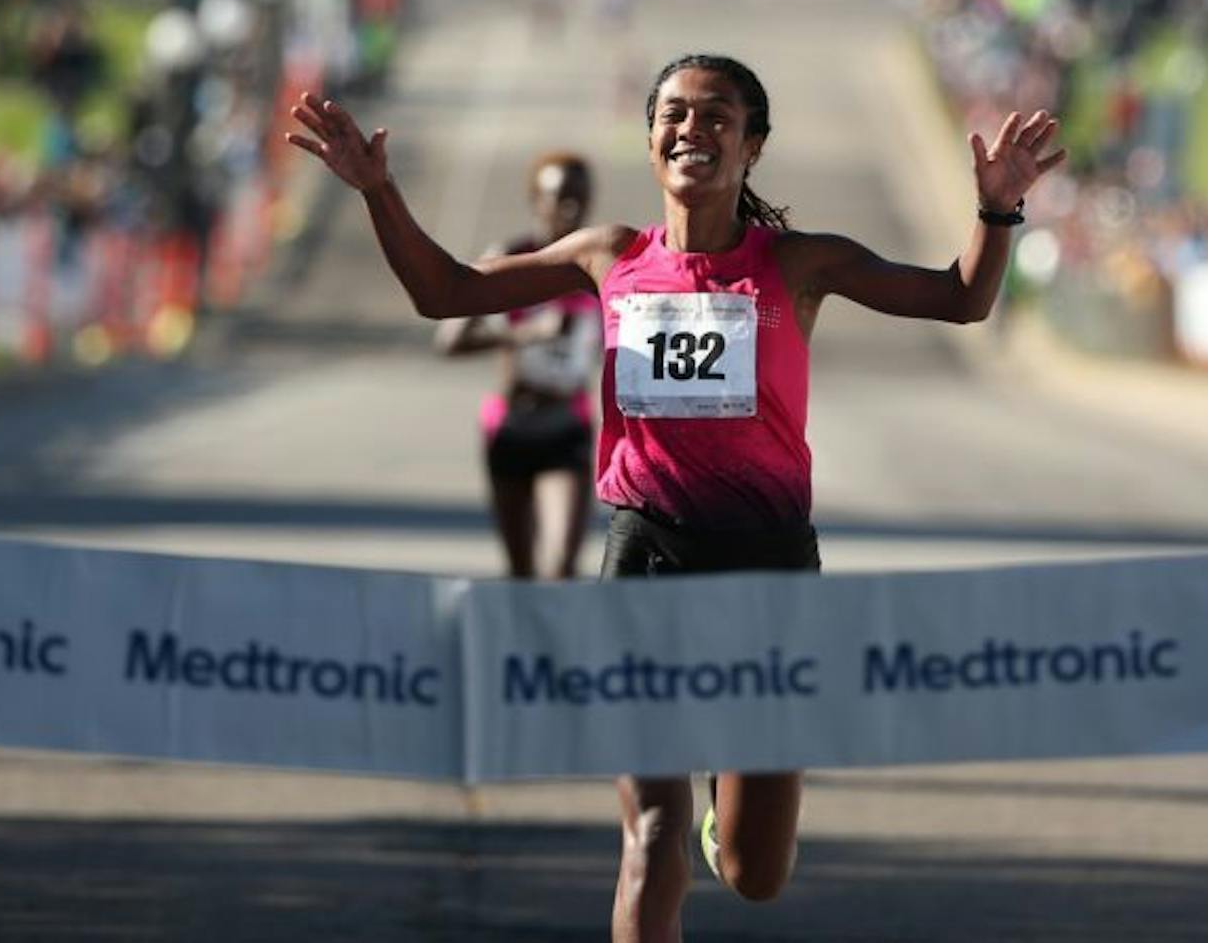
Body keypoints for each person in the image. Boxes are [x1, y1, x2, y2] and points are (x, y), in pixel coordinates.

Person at [286, 52, 1064, 942]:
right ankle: (675, 822)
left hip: (769, 572)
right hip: (645, 562)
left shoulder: (800, 263)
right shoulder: (607, 257)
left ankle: (725, 811)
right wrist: (377, 191)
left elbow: (961, 300)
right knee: (650, 837)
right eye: (675, 115)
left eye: (717, 116)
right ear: (651, 138)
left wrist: (998, 208)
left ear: (753, 147)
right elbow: (445, 292)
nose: (693, 129)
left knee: (754, 871)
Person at [435, 152, 603, 580]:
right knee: (521, 571)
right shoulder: (509, 256)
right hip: (511, 422)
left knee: (562, 564)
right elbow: (450, 341)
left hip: (568, 424)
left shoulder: (601, 266)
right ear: (535, 201)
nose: (570, 208)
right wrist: (527, 334)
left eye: (579, 198)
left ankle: (557, 646)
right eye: (559, 197)